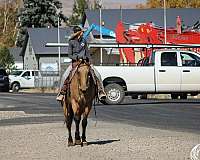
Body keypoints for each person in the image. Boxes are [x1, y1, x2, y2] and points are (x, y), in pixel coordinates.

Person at [56, 26, 106, 101]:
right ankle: (61, 93)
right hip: (75, 62)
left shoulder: (84, 41)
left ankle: (101, 92)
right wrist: (76, 58)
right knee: (64, 76)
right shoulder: (71, 42)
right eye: (81, 32)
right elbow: (70, 55)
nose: (83, 33)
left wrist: (90, 61)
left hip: (85, 62)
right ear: (78, 33)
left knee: (97, 74)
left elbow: (87, 52)